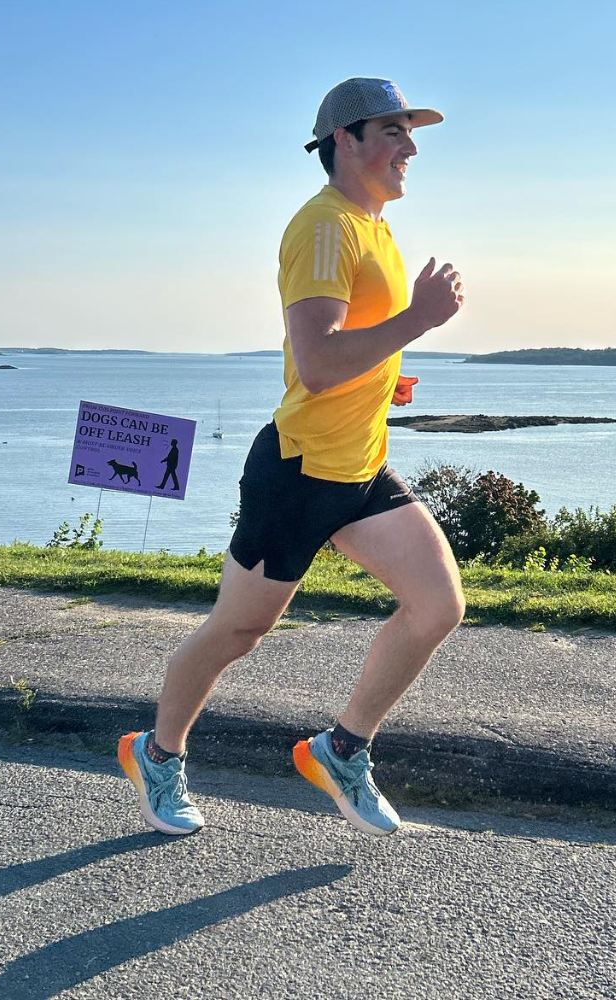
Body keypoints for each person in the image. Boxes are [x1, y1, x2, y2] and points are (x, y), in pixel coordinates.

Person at [118, 77, 465, 838]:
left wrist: (386, 375)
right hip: (300, 471)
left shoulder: (373, 226)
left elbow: (349, 353)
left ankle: (341, 751)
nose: (410, 148)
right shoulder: (325, 227)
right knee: (236, 633)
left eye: (413, 135)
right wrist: (417, 319)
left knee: (438, 605)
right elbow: (315, 363)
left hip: (361, 468)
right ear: (344, 139)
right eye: (394, 132)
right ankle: (157, 752)